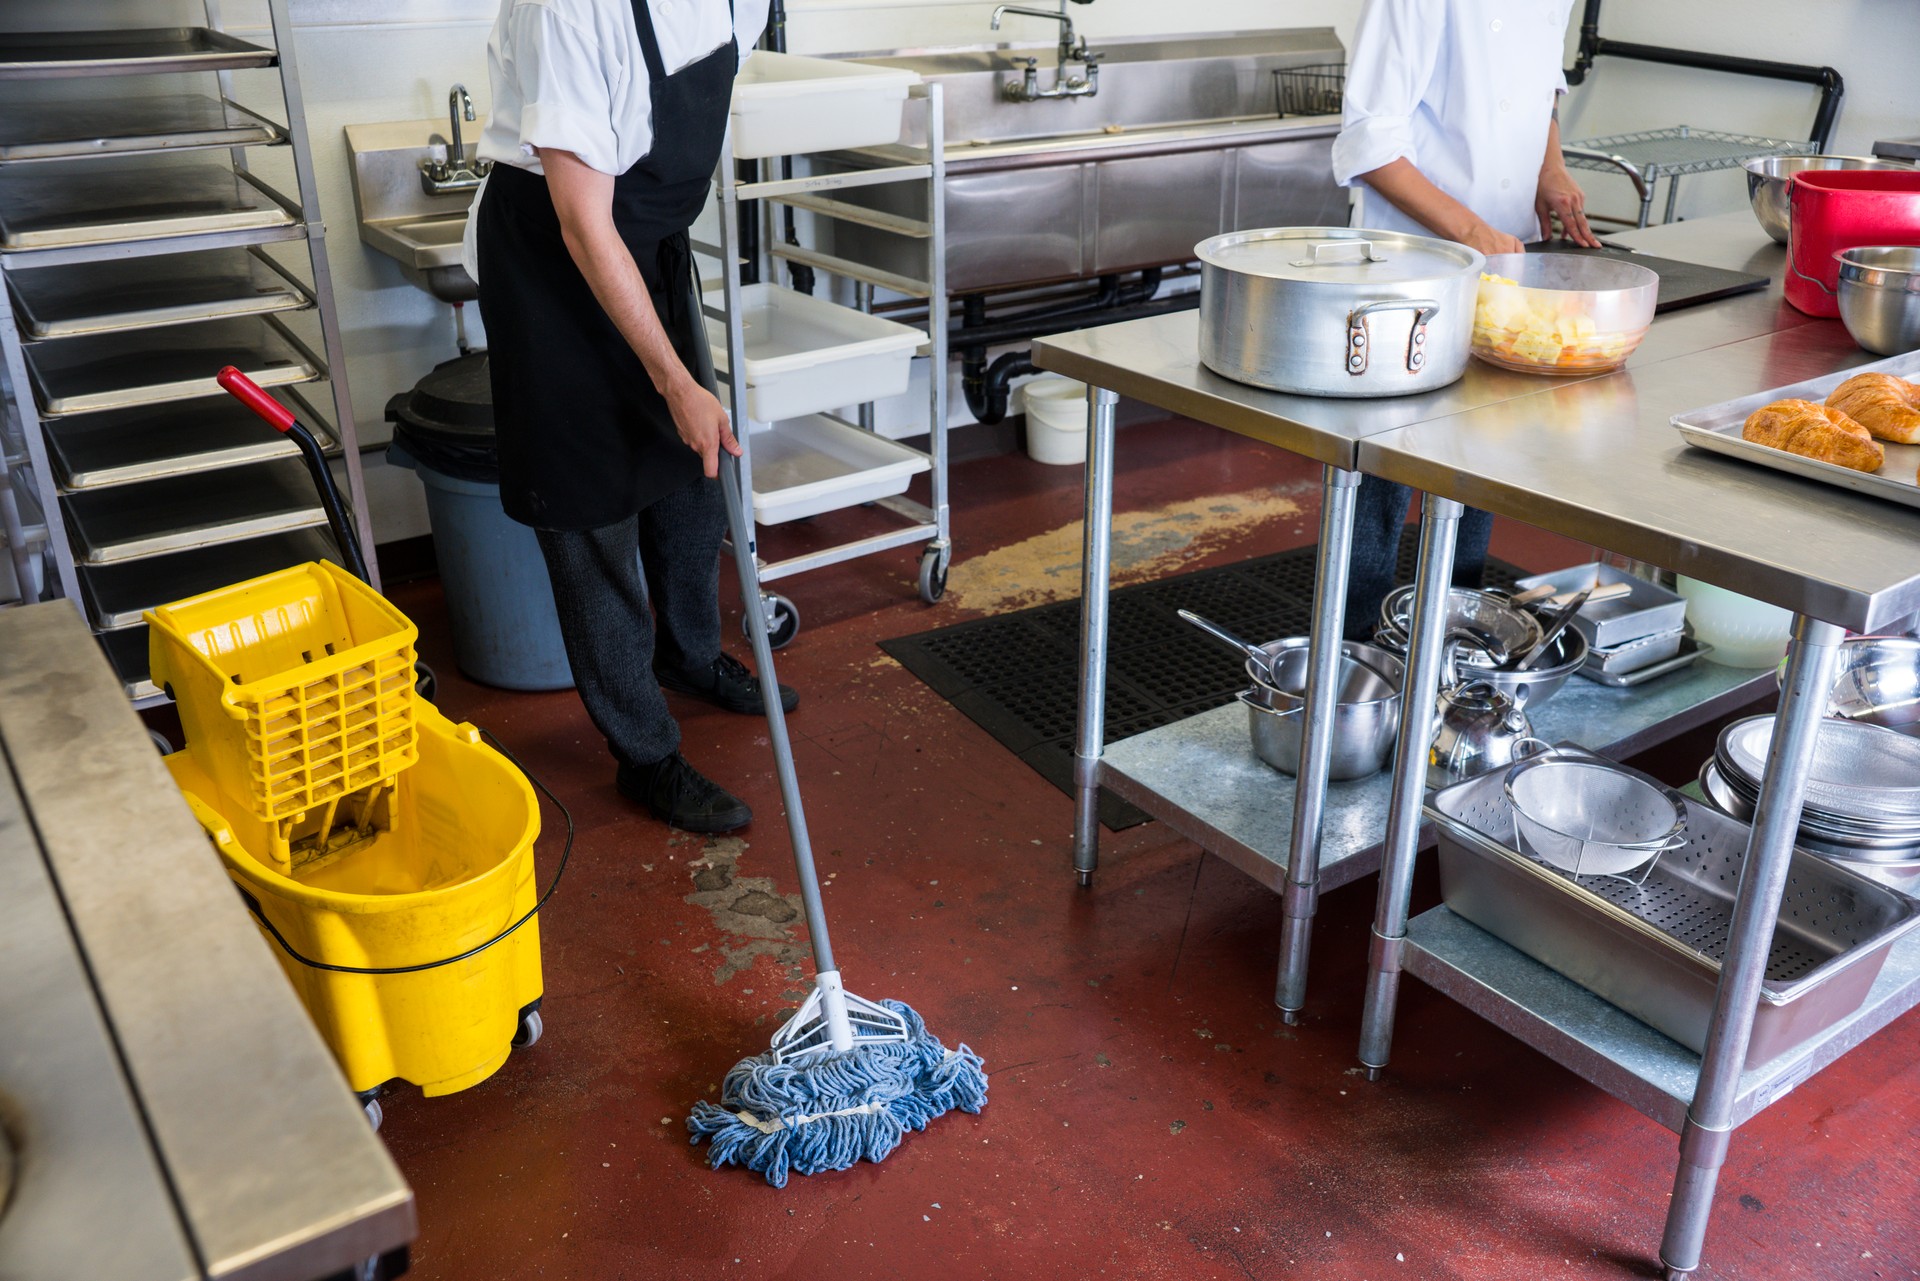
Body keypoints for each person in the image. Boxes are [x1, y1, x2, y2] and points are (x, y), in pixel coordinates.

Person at [464, 0, 788, 834]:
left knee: (692, 474)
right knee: (591, 513)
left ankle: (687, 653)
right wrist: (674, 379)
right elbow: (581, 218)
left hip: (643, 241)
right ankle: (644, 753)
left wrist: (682, 385)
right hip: (554, 254)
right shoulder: (570, 9)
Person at [1329, 0, 1601, 639]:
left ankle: (1453, 634)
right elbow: (1372, 142)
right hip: (1412, 265)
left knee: (1485, 448)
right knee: (1386, 465)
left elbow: (1543, 89)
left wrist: (1550, 168)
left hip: (1508, 259)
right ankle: (1356, 649)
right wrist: (1474, 232)